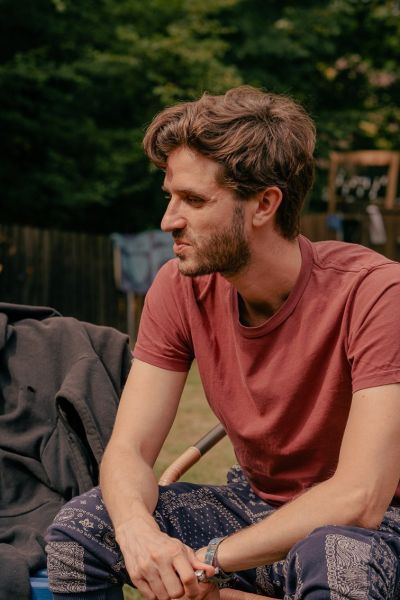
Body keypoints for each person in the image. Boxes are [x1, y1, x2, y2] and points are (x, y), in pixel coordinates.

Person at [45, 86, 400, 600]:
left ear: (264, 204)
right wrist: (138, 532)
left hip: (374, 528)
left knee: (337, 562)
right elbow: (130, 450)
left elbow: (361, 497)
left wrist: (208, 561)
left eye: (194, 200)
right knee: (81, 530)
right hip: (253, 508)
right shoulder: (179, 287)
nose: (169, 219)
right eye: (170, 197)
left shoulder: (376, 293)